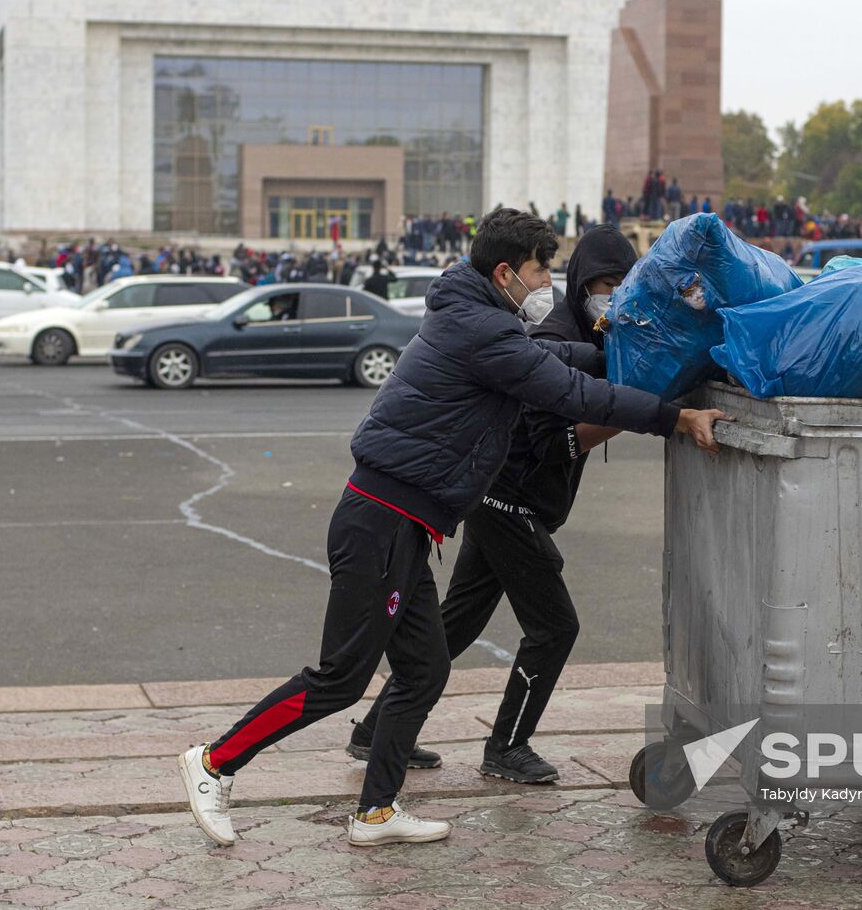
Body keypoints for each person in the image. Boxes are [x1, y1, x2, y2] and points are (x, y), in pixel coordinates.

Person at [177, 209, 730, 849]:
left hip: (406, 524)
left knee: (423, 669)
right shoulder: (485, 334)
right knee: (340, 678)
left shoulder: (480, 316)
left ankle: (376, 812)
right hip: (380, 521)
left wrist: (617, 350)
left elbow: (550, 354)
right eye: (538, 269)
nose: (545, 280)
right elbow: (575, 394)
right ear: (505, 272)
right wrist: (676, 416)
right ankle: (214, 763)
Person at [345, 224, 636, 783]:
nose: (613, 292)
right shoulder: (552, 330)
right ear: (580, 282)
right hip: (509, 501)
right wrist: (633, 416)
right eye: (604, 281)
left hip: (501, 497)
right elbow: (548, 440)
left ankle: (375, 731)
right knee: (555, 628)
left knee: (455, 624)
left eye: (625, 282)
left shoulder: (602, 330)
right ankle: (507, 747)